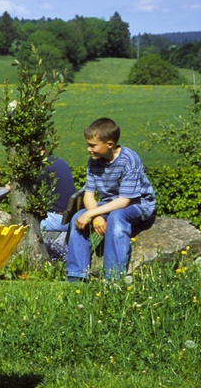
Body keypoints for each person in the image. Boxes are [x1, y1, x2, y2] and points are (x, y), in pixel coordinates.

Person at [66, 118, 156, 282]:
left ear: (109, 144)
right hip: (108, 204)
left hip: (137, 203)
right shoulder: (94, 162)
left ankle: (113, 277)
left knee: (117, 217)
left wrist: (91, 213)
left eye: (93, 145)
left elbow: (124, 201)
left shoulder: (129, 159)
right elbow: (89, 195)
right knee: (77, 218)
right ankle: (76, 275)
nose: (88, 149)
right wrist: (95, 216)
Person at [39, 156, 77, 232]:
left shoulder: (44, 167)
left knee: (22, 223)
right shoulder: (59, 161)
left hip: (58, 220)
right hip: (70, 217)